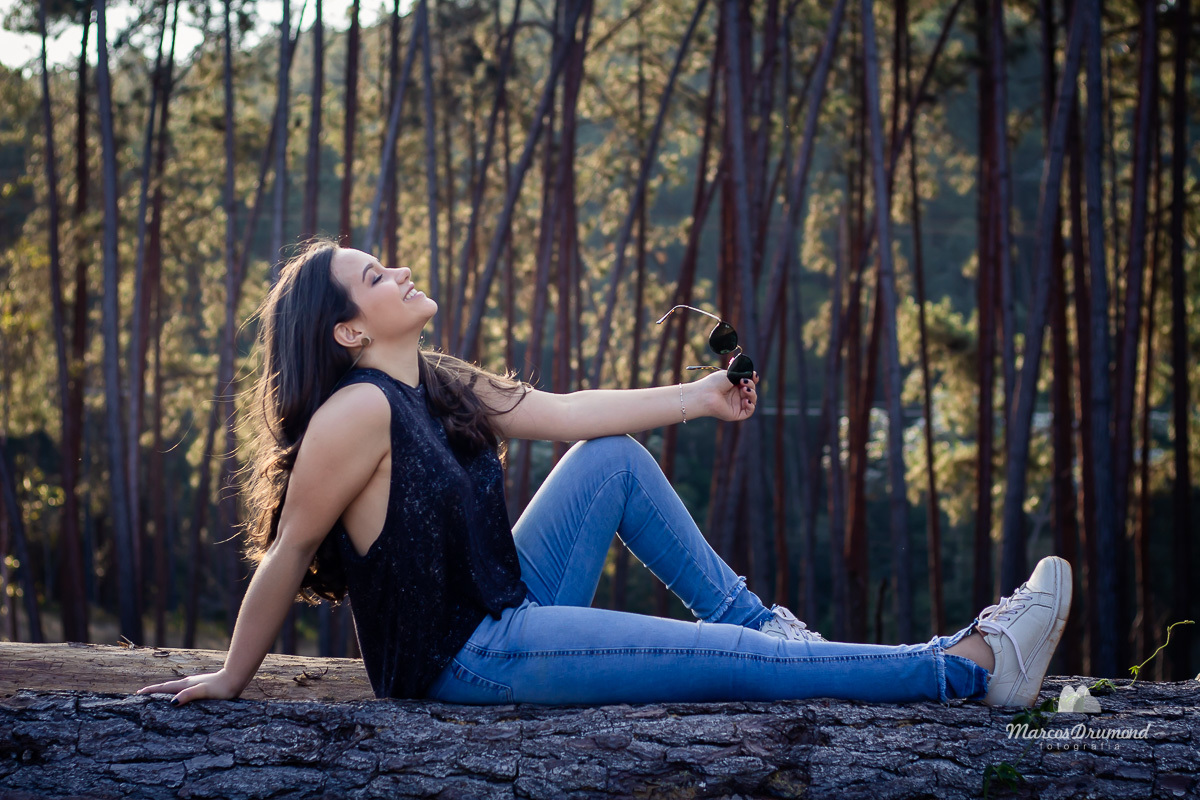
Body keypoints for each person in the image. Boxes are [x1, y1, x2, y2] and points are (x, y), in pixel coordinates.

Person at [138, 240, 1071, 709]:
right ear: (349, 330)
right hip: (465, 664)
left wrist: (702, 396)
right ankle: (969, 668)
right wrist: (229, 677)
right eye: (378, 275)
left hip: (503, 606)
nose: (402, 270)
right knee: (736, 672)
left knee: (611, 460)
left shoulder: (431, 379)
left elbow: (568, 417)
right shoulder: (357, 411)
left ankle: (767, 624)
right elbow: (291, 546)